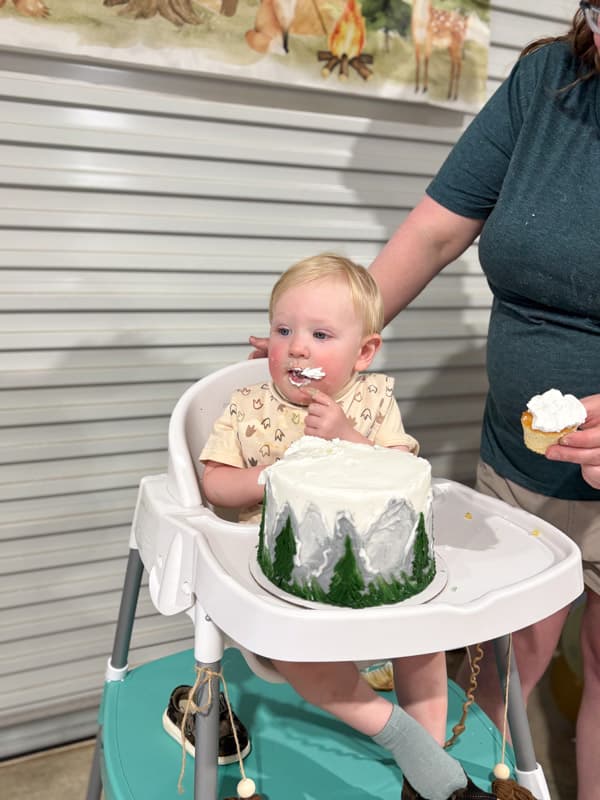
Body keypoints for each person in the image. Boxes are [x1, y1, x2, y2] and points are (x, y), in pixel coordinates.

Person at [206, 253, 496, 800]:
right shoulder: (247, 406)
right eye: (283, 330)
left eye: (320, 334)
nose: (296, 347)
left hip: (378, 579)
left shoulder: (372, 401)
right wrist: (269, 476)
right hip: (283, 588)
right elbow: (214, 484)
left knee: (426, 641)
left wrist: (346, 436)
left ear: (363, 352)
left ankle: (424, 770)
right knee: (294, 653)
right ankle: (398, 733)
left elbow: (404, 471)